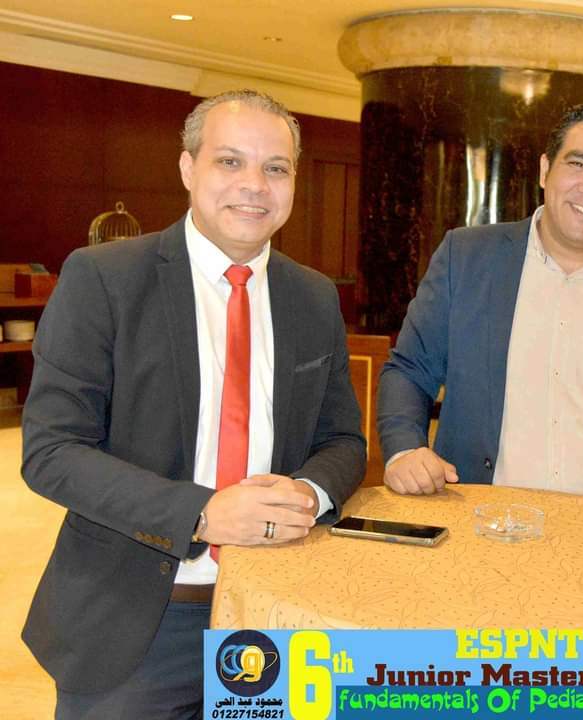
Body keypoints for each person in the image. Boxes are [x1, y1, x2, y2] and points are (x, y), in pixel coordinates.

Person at [21, 90, 366, 718]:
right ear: (188, 168)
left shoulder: (314, 297)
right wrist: (202, 514)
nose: (254, 185)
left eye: (276, 167)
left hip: (275, 609)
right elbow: (51, 451)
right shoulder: (104, 278)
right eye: (230, 161)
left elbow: (342, 440)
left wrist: (306, 495)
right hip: (137, 619)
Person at [378, 102, 583, 503]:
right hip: (481, 514)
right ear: (546, 170)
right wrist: (406, 449)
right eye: (578, 164)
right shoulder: (468, 258)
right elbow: (410, 369)